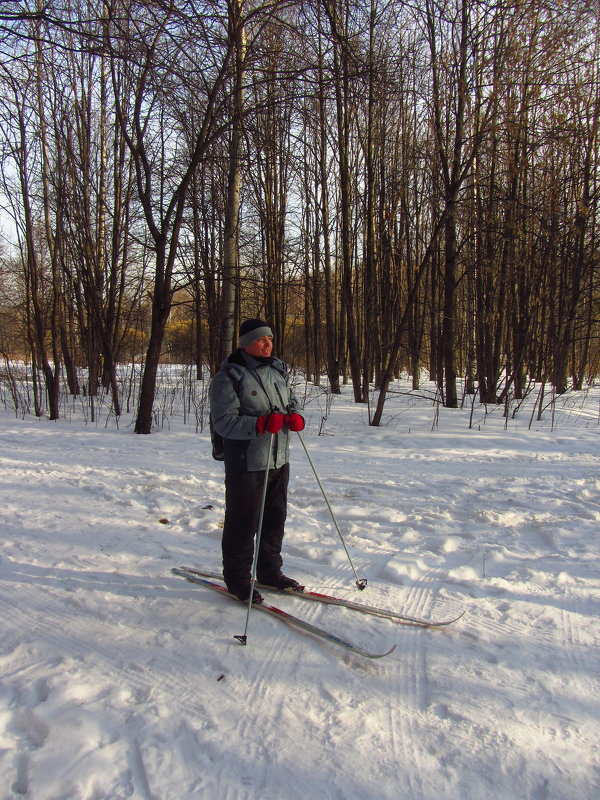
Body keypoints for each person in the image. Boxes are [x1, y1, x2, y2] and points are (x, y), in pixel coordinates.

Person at [209, 318, 305, 603]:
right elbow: (223, 423)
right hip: (246, 464)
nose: (268, 344)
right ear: (246, 343)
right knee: (243, 523)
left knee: (274, 520)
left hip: (278, 459)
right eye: (261, 339)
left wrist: (296, 416)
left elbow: (292, 401)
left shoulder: (278, 370)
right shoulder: (228, 377)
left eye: (270, 339)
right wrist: (261, 424)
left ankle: (269, 572)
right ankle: (238, 579)